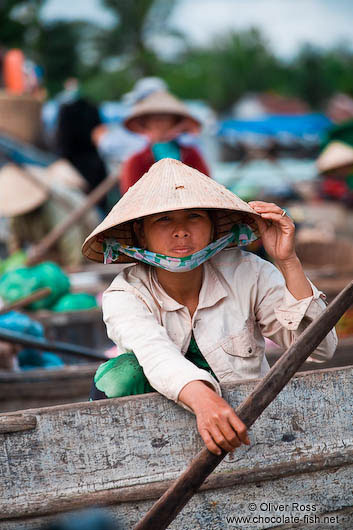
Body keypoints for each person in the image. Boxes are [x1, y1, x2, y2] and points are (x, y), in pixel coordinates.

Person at [82, 158, 337, 456]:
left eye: (194, 216)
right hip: (158, 431)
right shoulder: (125, 293)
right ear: (140, 234)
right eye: (163, 219)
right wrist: (203, 400)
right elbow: (153, 352)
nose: (180, 231)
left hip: (246, 424)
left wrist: (287, 262)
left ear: (213, 225)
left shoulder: (248, 271)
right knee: (121, 373)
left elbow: (319, 349)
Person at [0, 163, 100, 268]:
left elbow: (71, 237)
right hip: (52, 247)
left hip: (83, 236)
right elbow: (14, 239)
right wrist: (17, 265)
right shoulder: (16, 213)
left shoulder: (53, 203)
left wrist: (73, 266)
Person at [119, 90, 210, 194]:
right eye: (154, 118)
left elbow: (207, 188)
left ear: (175, 121)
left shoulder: (191, 155)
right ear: (145, 123)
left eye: (164, 118)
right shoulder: (137, 161)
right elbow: (130, 199)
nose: (159, 122)